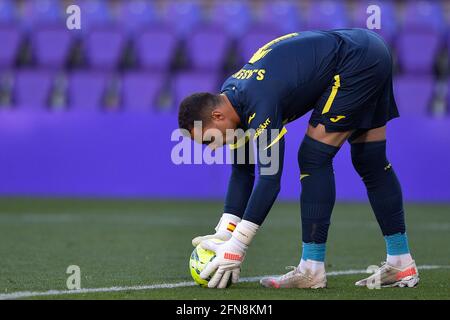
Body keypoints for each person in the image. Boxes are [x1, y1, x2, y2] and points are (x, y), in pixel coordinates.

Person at [178, 29, 418, 289]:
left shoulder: (259, 101)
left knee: (313, 158)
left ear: (216, 117)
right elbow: (242, 172)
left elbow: (270, 180)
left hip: (356, 60)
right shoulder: (232, 99)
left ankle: (311, 269)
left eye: (206, 140)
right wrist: (225, 231)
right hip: (367, 49)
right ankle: (401, 263)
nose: (211, 148)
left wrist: (238, 245)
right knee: (370, 160)